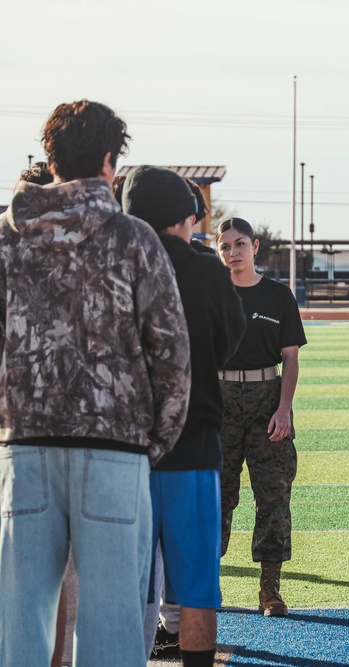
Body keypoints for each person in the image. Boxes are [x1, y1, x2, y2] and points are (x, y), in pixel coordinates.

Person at [0, 100, 191, 666]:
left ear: (50, 157)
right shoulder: (133, 238)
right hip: (114, 448)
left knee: (19, 621)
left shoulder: (6, 240)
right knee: (110, 623)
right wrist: (151, 442)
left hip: (25, 447)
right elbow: (171, 352)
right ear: (109, 162)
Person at [122, 166, 246, 666]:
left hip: (124, 448)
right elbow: (227, 343)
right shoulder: (205, 270)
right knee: (196, 588)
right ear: (186, 216)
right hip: (193, 440)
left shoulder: (117, 264)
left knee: (122, 589)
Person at [216, 217, 306, 617]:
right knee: (215, 495)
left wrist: (284, 409)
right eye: (224, 246)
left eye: (239, 244)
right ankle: (206, 585)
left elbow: (290, 357)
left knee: (272, 493)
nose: (232, 252)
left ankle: (269, 590)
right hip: (219, 400)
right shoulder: (212, 293)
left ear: (254, 246)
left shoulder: (277, 295)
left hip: (268, 398)